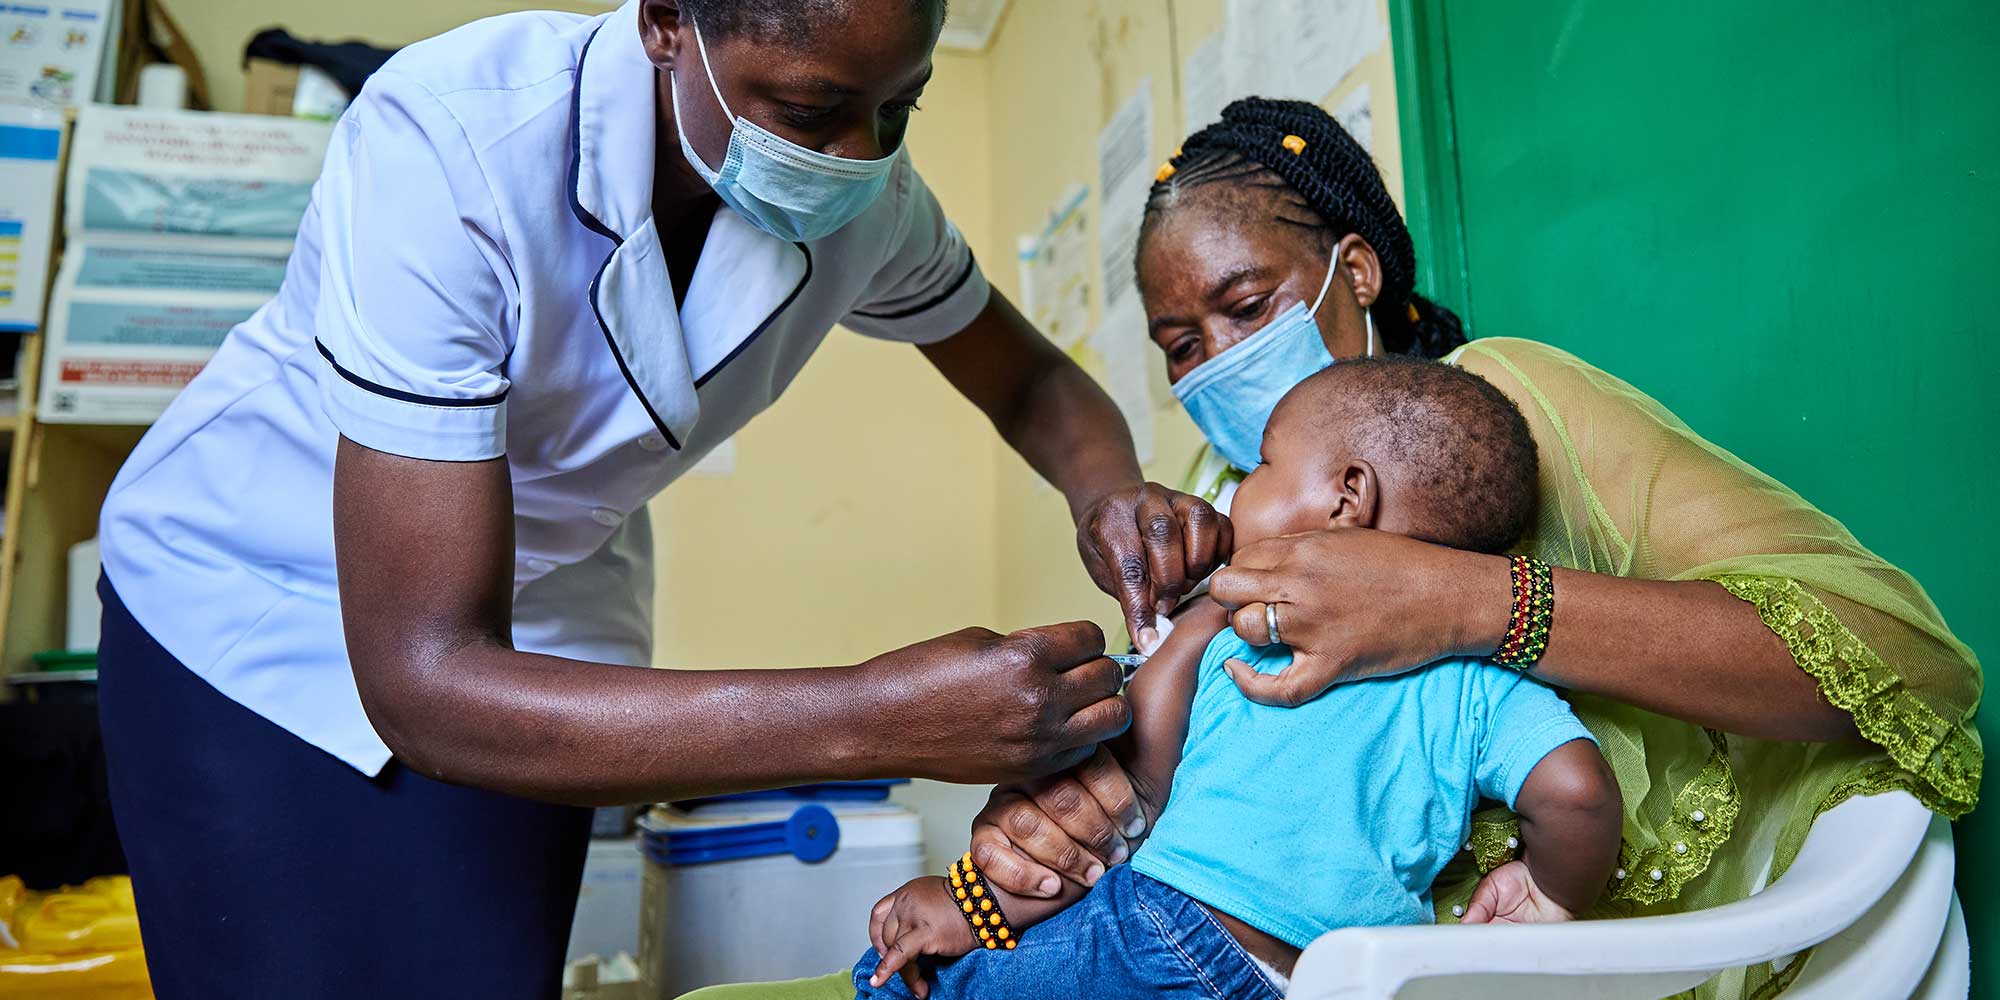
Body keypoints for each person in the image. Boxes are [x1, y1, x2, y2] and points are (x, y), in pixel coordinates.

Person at [89, 2, 1234, 997]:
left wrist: (1112, 492)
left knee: (478, 971)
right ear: (663, 21)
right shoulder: (449, 143)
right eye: (808, 108)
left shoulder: (867, 197)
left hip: (542, 605)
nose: (856, 156)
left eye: (901, 110)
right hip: (263, 591)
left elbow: (1031, 377)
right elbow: (423, 678)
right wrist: (875, 718)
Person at [953, 99, 1981, 1000]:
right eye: (1181, 346)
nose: (1220, 362)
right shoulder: (1239, 512)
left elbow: (1898, 659)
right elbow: (1187, 793)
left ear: (1351, 271)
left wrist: (1464, 601)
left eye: (1247, 307)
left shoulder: (1508, 409)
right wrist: (1059, 819)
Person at [851, 357, 1623, 1000]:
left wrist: (968, 905)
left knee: (895, 981)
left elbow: (1119, 803)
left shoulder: (1229, 629)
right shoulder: (1486, 680)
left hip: (1172, 935)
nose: (1236, 495)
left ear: (1345, 498)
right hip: (1342, 983)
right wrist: (1548, 893)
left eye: (1260, 465)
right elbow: (1578, 792)